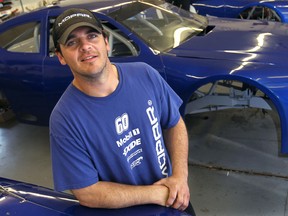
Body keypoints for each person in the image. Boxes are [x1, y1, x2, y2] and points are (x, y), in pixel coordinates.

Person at [50, 7, 195, 215]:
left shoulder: (145, 74)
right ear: (61, 57)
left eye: (92, 36)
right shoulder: (64, 119)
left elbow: (174, 123)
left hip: (176, 199)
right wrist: (157, 194)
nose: (85, 46)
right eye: (72, 42)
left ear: (106, 43)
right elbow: (87, 193)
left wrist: (179, 177)